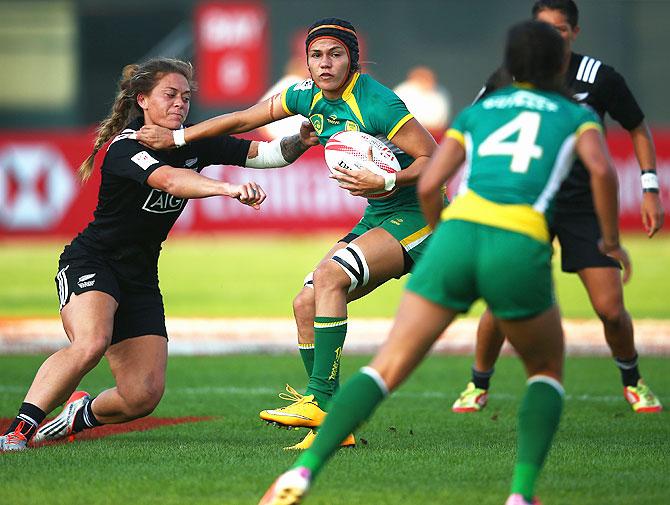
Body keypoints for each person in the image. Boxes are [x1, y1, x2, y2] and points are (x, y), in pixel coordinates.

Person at [258, 20, 628, 505]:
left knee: (386, 366)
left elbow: (432, 183)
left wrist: (439, 238)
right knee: (544, 370)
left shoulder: (481, 111)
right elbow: (602, 171)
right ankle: (520, 493)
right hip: (518, 242)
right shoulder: (573, 114)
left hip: (458, 236)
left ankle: (304, 472)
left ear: (509, 67)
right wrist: (612, 241)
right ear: (562, 64)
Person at [135, 18, 438, 450]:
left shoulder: (378, 102)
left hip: (417, 215)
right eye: (317, 55)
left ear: (352, 57)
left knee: (330, 278)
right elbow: (242, 118)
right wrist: (177, 138)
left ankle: (320, 400)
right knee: (305, 302)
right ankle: (331, 429)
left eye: (335, 54)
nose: (325, 63)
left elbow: (434, 157)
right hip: (380, 213)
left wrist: (388, 183)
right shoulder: (304, 95)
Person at [0, 57, 317, 451]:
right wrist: (227, 189)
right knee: (91, 341)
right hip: (93, 261)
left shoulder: (193, 141)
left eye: (185, 97)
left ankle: (77, 414)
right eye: (170, 95)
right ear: (142, 100)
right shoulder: (125, 147)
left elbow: (268, 155)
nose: (180, 104)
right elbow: (168, 179)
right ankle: (19, 430)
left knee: (142, 395)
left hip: (140, 276)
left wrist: (301, 141)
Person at [452, 0, 663, 415]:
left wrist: (650, 186)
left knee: (611, 308)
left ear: (575, 33)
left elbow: (636, 126)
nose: (553, 37)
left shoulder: (598, 77)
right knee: (501, 301)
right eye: (545, 29)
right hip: (525, 205)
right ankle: (477, 384)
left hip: (582, 206)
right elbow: (471, 127)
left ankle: (633, 379)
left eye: (562, 30)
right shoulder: (508, 77)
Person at [393, 65, 451, 135]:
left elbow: (442, 120)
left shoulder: (441, 92)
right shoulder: (403, 90)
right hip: (407, 131)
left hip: (435, 134)